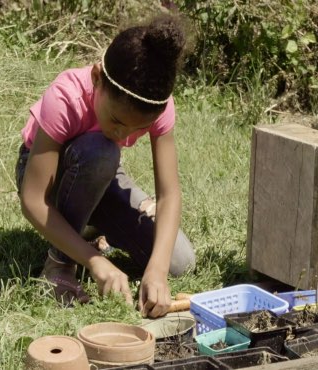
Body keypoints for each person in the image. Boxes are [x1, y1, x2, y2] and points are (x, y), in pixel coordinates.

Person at [15, 13, 196, 318]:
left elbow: (169, 195)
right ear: (97, 78)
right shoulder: (66, 97)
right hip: (48, 181)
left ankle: (92, 230)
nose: (122, 135)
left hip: (101, 178)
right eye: (116, 121)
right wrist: (94, 262)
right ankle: (59, 264)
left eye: (136, 129)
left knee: (181, 262)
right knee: (102, 151)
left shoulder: (158, 105)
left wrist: (157, 271)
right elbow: (33, 200)